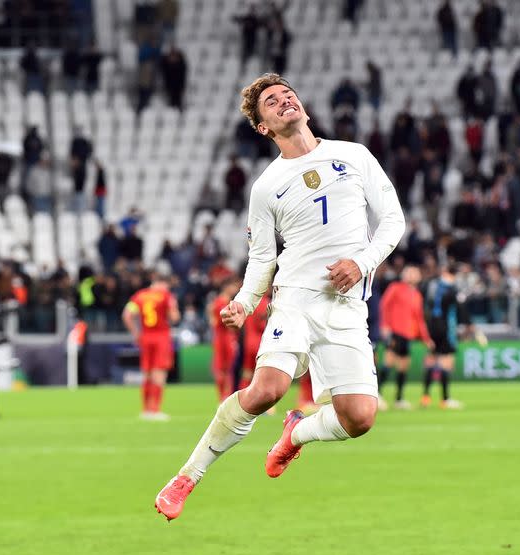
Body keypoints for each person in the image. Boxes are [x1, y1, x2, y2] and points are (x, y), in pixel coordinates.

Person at [154, 73, 405, 521]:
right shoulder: (267, 186)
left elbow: (393, 222)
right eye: (272, 102)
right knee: (267, 390)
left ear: (303, 107)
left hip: (347, 305)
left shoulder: (353, 155)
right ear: (263, 127)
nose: (284, 100)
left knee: (360, 419)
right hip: (295, 299)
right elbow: (262, 258)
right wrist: (245, 302)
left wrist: (362, 263)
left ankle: (296, 434)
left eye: (288, 94)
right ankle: (187, 476)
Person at [122, 272, 180, 420]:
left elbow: (127, 315)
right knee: (159, 373)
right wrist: (173, 308)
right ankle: (155, 410)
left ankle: (146, 410)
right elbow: (175, 317)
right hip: (161, 337)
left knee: (147, 373)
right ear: (163, 283)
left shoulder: (140, 295)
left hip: (145, 337)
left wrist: (136, 333)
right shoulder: (166, 296)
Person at [378, 266, 434, 410]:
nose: (412, 275)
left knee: (403, 366)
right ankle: (376, 395)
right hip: (395, 332)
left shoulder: (417, 295)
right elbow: (384, 306)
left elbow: (419, 318)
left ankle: (399, 398)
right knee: (388, 362)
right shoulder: (395, 287)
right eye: (410, 272)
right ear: (404, 275)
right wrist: (385, 325)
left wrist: (426, 338)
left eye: (415, 273)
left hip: (408, 335)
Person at [422, 264, 463, 409]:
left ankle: (425, 397)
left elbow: (425, 305)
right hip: (445, 327)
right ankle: (445, 399)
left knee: (431, 361)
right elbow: (458, 308)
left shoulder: (431, 285)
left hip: (431, 326)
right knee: (446, 361)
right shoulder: (452, 289)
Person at [210, 277, 241, 401]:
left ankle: (223, 397)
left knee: (222, 369)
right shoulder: (224, 303)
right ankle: (226, 397)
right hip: (227, 338)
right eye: (234, 286)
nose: (236, 289)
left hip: (218, 337)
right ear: (227, 287)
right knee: (228, 369)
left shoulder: (216, 302)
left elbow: (212, 321)